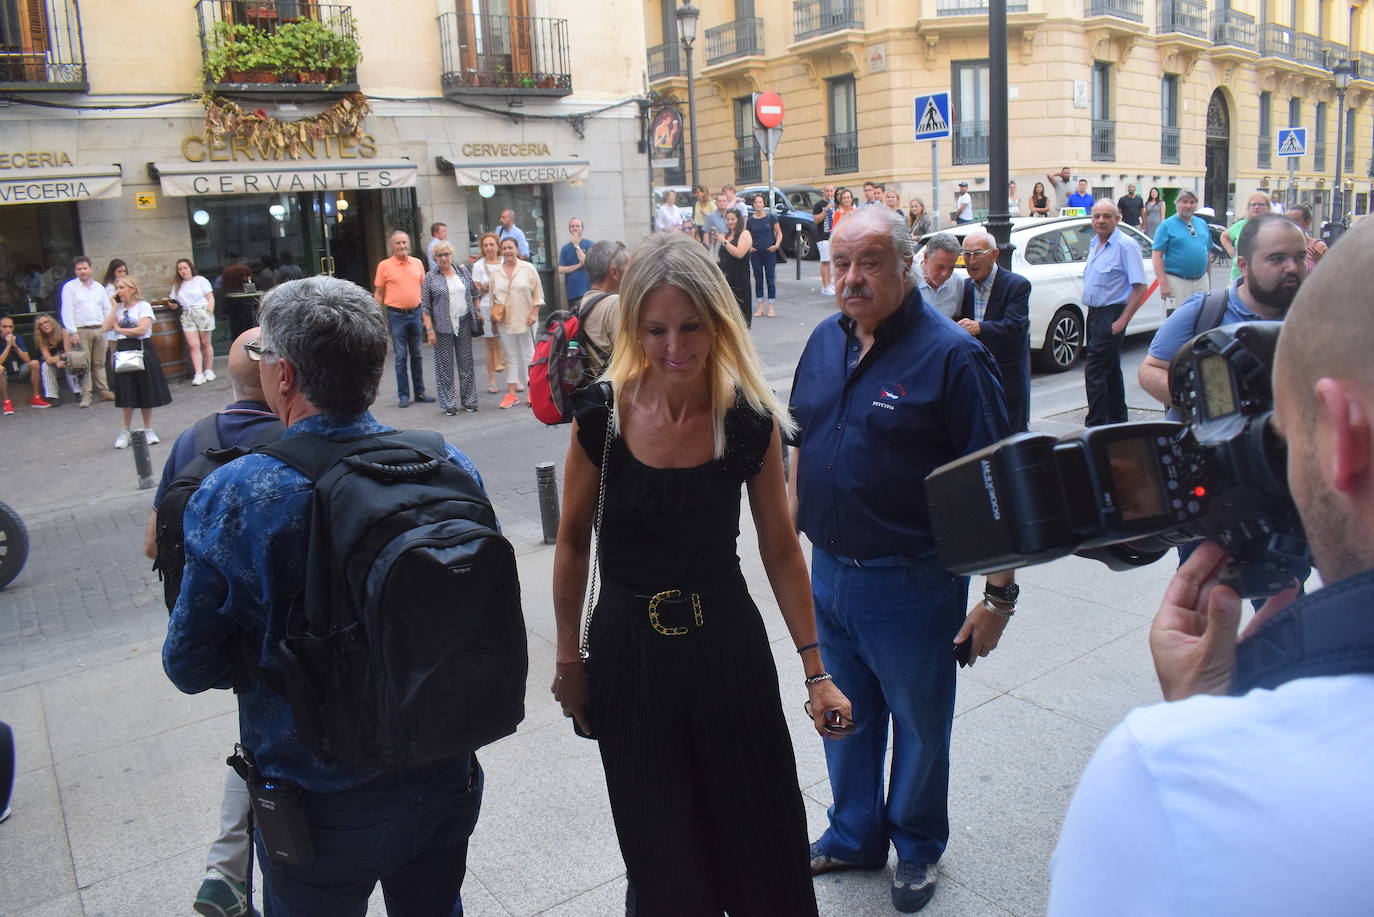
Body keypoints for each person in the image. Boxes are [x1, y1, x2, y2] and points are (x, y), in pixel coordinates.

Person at [1048, 216, 1374, 917]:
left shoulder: (1163, 778)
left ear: (1341, 436)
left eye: (1283, 435)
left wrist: (1202, 738)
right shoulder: (1206, 310)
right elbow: (1155, 367)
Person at [163, 277, 487, 916]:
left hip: (318, 798)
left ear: (283, 377)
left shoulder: (240, 494)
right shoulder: (448, 462)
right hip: (443, 771)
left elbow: (188, 664)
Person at [550, 232, 852, 916]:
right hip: (629, 653)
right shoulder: (600, 414)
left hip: (726, 649)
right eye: (655, 329)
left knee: (764, 839)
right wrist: (569, 658)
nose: (674, 347)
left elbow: (780, 546)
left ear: (718, 321)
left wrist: (815, 668)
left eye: (691, 326)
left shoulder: (746, 417)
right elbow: (570, 543)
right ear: (632, 327)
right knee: (661, 857)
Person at [790, 207, 1016, 914]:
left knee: (920, 725)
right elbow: (800, 434)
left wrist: (999, 597)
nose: (851, 278)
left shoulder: (952, 356)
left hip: (912, 581)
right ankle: (853, 831)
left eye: (870, 262)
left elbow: (996, 481)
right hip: (829, 573)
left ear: (907, 262)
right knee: (844, 716)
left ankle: (917, 846)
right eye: (841, 263)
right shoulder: (824, 342)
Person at [142, 326, 282, 917]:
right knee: (272, 736)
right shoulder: (292, 436)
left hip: (215, 627)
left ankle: (225, 868)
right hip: (284, 623)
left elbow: (153, 545)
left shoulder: (192, 438)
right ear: (283, 377)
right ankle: (241, 869)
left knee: (257, 726)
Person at [1138, 212, 1307, 408]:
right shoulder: (1203, 311)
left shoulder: (1315, 321)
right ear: (1243, 266)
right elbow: (1150, 370)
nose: (1292, 267)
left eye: (1300, 257)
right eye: (1277, 259)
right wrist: (1207, 408)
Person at [957, 231, 1032, 432]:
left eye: (977, 253)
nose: (971, 260)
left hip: (1007, 376)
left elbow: (1015, 327)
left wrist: (980, 327)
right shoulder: (964, 287)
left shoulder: (1016, 285)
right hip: (975, 377)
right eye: (966, 254)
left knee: (1011, 435)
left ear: (994, 254)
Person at [1081, 200, 1147, 426]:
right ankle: (1117, 419)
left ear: (1117, 218)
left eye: (1106, 216)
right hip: (1095, 314)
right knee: (1109, 369)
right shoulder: (1094, 243)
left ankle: (1095, 423)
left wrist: (1122, 321)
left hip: (1112, 313)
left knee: (1095, 370)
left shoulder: (1126, 245)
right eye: (1097, 216)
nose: (1101, 221)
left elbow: (1140, 287)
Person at [102, 275, 171, 448]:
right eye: (117, 288)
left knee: (145, 389)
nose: (119, 291)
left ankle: (148, 429)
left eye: (122, 287)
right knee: (127, 390)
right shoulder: (117, 308)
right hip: (123, 348)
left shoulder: (144, 306)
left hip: (142, 348)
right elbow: (105, 327)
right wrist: (114, 307)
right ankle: (125, 431)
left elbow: (142, 329)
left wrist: (118, 329)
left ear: (132, 289)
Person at [373, 230, 434, 409]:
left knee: (417, 354)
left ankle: (420, 392)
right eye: (398, 243)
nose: (402, 246)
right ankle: (404, 395)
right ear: (392, 246)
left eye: (404, 243)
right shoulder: (384, 266)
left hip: (415, 314)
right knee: (400, 356)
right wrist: (376, 316)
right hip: (396, 316)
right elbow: (379, 292)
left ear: (409, 244)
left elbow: (424, 291)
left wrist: (426, 318)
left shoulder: (417, 263)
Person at [421, 240, 482, 415]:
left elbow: (475, 293)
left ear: (451, 255)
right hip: (442, 327)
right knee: (445, 367)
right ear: (435, 258)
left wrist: (477, 311)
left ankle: (469, 401)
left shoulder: (462, 271)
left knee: (466, 364)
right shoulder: (430, 277)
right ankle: (449, 404)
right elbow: (425, 307)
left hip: (463, 322)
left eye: (446, 254)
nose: (444, 258)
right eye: (439, 255)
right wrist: (429, 330)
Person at [490, 238, 543, 409]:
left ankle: (533, 392)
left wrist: (534, 313)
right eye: (504, 248)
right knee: (510, 357)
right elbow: (493, 298)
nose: (507, 251)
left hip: (526, 319)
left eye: (510, 247)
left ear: (517, 249)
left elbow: (538, 294)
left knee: (529, 355)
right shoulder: (496, 272)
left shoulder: (528, 268)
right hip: (504, 321)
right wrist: (493, 320)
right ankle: (511, 394)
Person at [59, 255, 115, 408]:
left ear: (91, 269)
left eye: (85, 268)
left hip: (99, 328)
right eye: (79, 269)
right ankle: (86, 395)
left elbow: (107, 308)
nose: (82, 271)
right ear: (75, 271)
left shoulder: (99, 287)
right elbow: (67, 311)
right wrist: (72, 332)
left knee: (99, 363)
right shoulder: (70, 288)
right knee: (84, 364)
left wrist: (106, 326)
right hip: (81, 330)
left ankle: (104, 391)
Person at [1150, 189, 1211, 315]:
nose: (1188, 205)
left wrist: (1209, 280)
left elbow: (1207, 252)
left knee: (1201, 317)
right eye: (1184, 202)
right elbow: (1157, 256)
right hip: (1176, 282)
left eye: (1192, 202)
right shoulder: (1166, 225)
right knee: (1174, 320)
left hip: (1200, 282)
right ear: (1177, 203)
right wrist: (1163, 283)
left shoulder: (1201, 223)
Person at [577, 240, 629, 377]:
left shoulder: (580, 305)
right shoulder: (615, 304)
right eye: (627, 267)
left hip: (591, 391)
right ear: (614, 272)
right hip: (612, 392)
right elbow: (628, 358)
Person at [469, 232, 507, 393]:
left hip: (506, 306)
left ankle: (514, 379)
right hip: (486, 307)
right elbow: (474, 291)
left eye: (492, 244)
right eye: (485, 245)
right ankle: (492, 381)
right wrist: (483, 288)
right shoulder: (478, 266)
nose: (489, 248)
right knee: (490, 344)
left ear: (497, 246)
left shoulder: (505, 262)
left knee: (509, 343)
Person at [169, 258, 216, 386]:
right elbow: (173, 301)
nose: (183, 271)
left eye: (185, 268)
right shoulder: (177, 285)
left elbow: (210, 298)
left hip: (202, 311)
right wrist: (172, 305)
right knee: (193, 345)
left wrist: (209, 313)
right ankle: (198, 373)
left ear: (190, 268)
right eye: (180, 269)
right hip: (187, 313)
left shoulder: (200, 280)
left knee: (205, 342)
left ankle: (208, 369)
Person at [1221, 192, 1273, 282]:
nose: (1256, 207)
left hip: (1264, 275)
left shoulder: (1274, 225)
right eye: (1253, 204)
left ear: (1268, 207)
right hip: (1238, 275)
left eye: (1261, 204)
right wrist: (1232, 254)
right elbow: (1224, 236)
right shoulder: (1241, 225)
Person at [0, 315, 47, 413]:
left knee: (34, 363)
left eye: (10, 326)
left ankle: (36, 398)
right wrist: (8, 346)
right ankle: (7, 403)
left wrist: (15, 346)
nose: (8, 329)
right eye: (4, 327)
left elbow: (27, 360)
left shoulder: (17, 337)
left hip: (19, 370)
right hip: (3, 373)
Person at [747, 192, 782, 319]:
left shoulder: (771, 217)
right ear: (753, 205)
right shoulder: (750, 220)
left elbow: (778, 232)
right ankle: (760, 307)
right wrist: (749, 246)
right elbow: (747, 235)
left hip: (769, 251)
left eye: (760, 202)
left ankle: (771, 307)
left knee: (770, 279)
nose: (758, 204)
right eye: (756, 202)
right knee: (758, 279)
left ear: (764, 203)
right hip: (756, 253)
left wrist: (776, 245)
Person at [717, 208, 754, 327]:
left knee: (741, 312)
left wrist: (725, 242)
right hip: (726, 278)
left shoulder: (745, 233)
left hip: (739, 279)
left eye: (733, 219)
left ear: (739, 220)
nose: (730, 222)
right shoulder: (728, 235)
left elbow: (739, 253)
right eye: (728, 219)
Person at [915, 232, 965, 319]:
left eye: (951, 268)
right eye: (940, 267)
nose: (945, 274)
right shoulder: (907, 282)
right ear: (926, 257)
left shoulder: (957, 283)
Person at [32, 312, 75, 404]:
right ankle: (53, 397)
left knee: (70, 361)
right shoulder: (41, 339)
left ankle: (78, 391)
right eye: (41, 324)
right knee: (45, 366)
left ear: (52, 322)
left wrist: (60, 359)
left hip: (66, 357)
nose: (44, 325)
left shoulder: (63, 332)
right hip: (54, 362)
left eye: (46, 322)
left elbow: (68, 352)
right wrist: (56, 361)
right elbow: (48, 358)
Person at [557, 218, 593, 310]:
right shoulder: (565, 248)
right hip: (572, 292)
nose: (575, 228)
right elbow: (561, 269)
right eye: (572, 226)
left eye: (578, 226)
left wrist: (577, 246)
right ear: (569, 229)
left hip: (587, 290)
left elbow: (586, 262)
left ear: (582, 228)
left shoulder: (590, 245)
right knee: (575, 320)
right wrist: (578, 266)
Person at [1284, 203, 1327, 272]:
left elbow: (1332, 275)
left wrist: (1320, 262)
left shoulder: (1318, 248)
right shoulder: (1279, 246)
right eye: (1286, 221)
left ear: (1307, 223)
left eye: (1294, 221)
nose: (1289, 225)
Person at [814, 184, 837, 296]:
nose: (829, 193)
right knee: (825, 261)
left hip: (833, 236)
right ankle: (825, 286)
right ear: (824, 192)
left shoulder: (835, 204)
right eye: (827, 191)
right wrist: (826, 209)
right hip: (823, 236)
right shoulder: (819, 205)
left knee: (832, 261)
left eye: (831, 191)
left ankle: (830, 284)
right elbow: (816, 220)